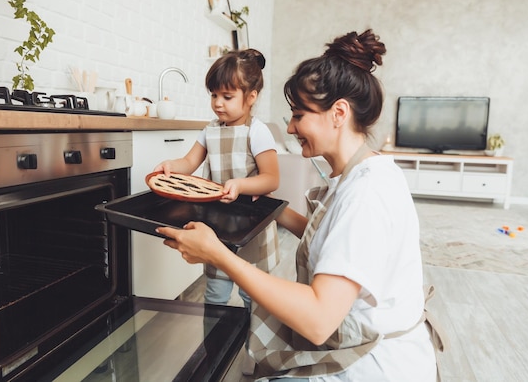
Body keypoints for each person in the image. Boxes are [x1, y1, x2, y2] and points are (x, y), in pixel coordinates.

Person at [156, 29, 442, 381]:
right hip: (353, 345)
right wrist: (272, 210)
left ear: (338, 113)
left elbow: (320, 319)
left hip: (370, 366)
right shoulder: (359, 174)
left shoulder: (367, 194)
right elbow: (335, 241)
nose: (290, 128)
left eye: (298, 115)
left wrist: (219, 255)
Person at [153, 48, 280, 312]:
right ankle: (215, 346)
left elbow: (271, 179)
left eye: (227, 96)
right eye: (213, 95)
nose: (218, 103)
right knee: (215, 293)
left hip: (250, 227)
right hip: (217, 225)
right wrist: (172, 166)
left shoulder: (257, 132)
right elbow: (189, 163)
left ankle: (252, 347)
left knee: (252, 296)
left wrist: (241, 185)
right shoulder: (209, 130)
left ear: (251, 97)